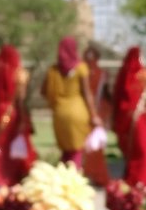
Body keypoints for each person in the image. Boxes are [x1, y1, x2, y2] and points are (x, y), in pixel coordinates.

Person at [0, 45, 37, 194]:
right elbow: (20, 100)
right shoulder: (19, 74)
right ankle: (11, 180)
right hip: (12, 113)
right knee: (11, 149)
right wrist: (23, 119)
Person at [42, 36, 101, 169]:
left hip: (59, 113)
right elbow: (87, 94)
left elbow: (44, 91)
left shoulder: (53, 70)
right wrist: (94, 115)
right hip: (78, 112)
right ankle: (73, 180)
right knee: (77, 150)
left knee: (66, 151)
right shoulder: (81, 68)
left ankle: (63, 179)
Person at [112, 46, 146, 186]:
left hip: (138, 117)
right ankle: (141, 178)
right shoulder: (131, 76)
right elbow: (125, 97)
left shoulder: (138, 75)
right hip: (135, 118)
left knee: (143, 148)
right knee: (141, 148)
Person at [81, 45, 111, 186]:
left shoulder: (83, 72)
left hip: (89, 112)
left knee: (92, 145)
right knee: (91, 146)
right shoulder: (85, 72)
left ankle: (92, 173)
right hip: (94, 112)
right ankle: (91, 173)